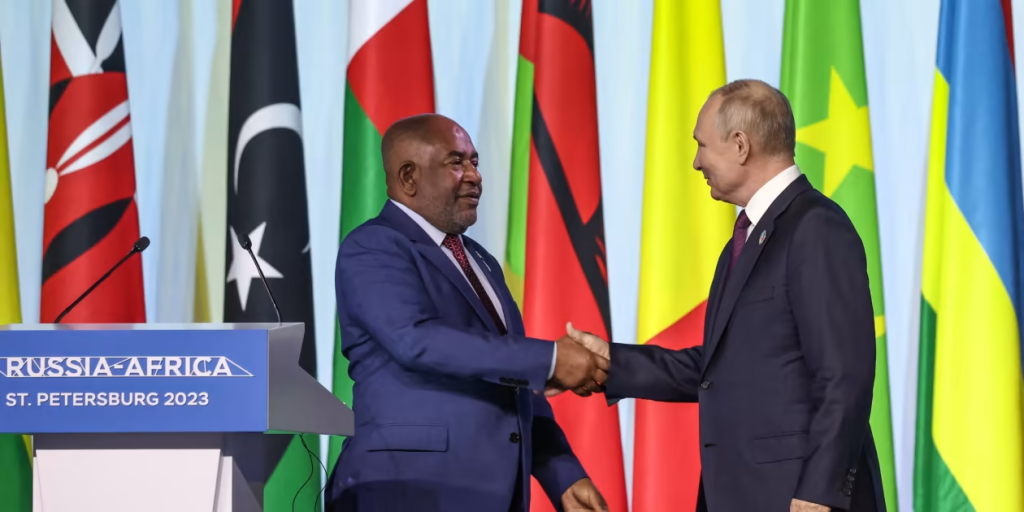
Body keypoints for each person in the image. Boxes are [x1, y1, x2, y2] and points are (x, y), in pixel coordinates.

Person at [565, 79, 885, 512]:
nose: (696, 162)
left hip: (799, 497)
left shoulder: (816, 227)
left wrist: (818, 493)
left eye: (701, 145)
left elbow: (844, 374)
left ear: (740, 145)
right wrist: (612, 361)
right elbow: (719, 368)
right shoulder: (745, 240)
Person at [325, 113, 609, 512]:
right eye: (456, 162)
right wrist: (551, 359)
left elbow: (513, 379)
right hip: (406, 491)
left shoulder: (481, 260)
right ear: (409, 177)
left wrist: (562, 473)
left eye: (475, 162)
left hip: (494, 494)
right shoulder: (373, 246)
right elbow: (416, 341)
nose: (475, 176)